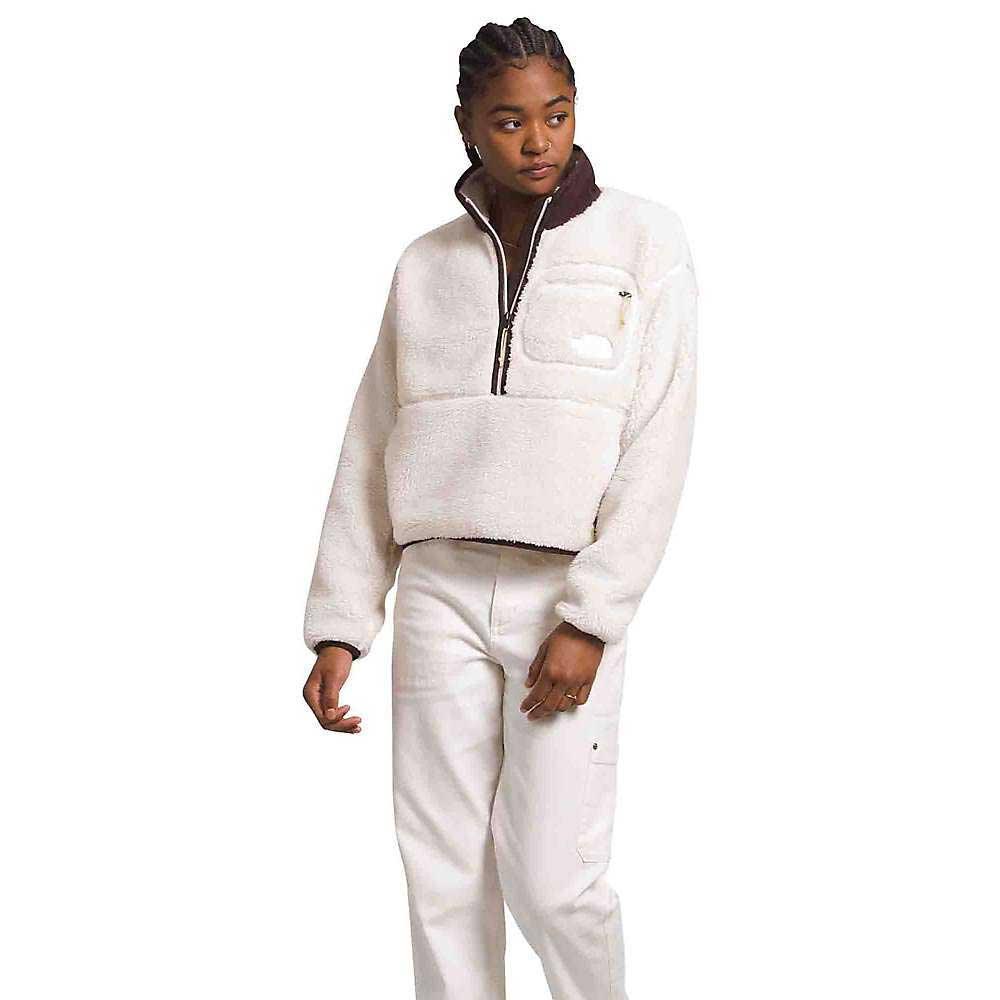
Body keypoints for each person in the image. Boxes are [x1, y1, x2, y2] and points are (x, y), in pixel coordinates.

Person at [301, 16, 697, 999]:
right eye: (510, 121)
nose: (537, 140)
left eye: (556, 115)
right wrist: (341, 624)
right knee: (440, 867)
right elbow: (372, 439)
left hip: (560, 595)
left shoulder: (644, 241)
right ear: (466, 127)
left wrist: (592, 618)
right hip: (436, 589)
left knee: (556, 881)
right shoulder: (425, 264)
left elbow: (659, 441)